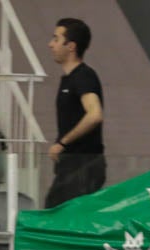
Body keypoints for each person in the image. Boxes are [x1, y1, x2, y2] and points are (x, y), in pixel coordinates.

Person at [43, 16, 104, 206]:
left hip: (83, 166)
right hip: (71, 166)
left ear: (71, 46)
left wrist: (62, 143)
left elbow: (95, 115)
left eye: (56, 39)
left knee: (57, 214)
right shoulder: (69, 79)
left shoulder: (84, 76)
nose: (50, 44)